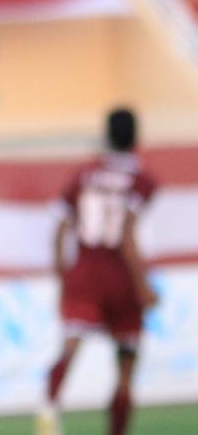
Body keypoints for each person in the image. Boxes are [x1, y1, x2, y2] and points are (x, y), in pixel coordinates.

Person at [37, 108, 159, 435]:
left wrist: (63, 276)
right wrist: (143, 286)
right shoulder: (142, 180)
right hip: (121, 277)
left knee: (70, 346)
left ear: (107, 135)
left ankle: (48, 408)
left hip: (85, 271)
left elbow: (60, 226)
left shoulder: (85, 174)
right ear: (136, 137)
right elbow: (127, 236)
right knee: (126, 361)